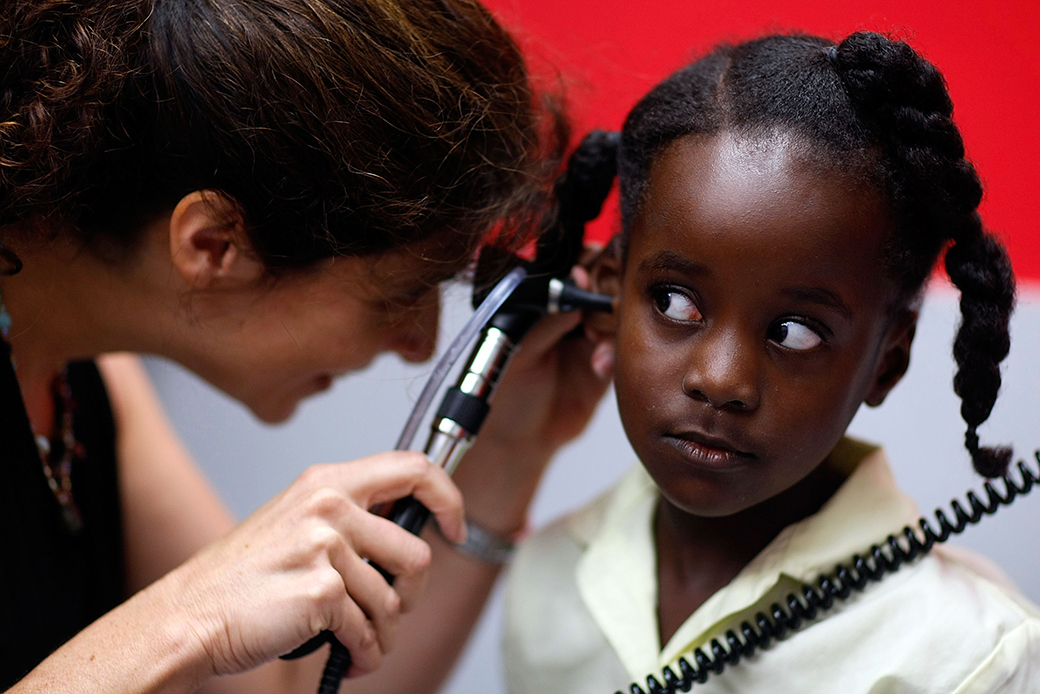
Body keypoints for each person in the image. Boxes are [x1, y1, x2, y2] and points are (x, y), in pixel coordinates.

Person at [0, 1, 612, 692]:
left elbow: (274, 693)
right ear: (212, 245)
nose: (419, 347)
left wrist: (507, 451)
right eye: (397, 295)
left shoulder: (86, 376)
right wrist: (188, 617)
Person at [504, 32, 1040, 693]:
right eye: (676, 301)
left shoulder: (971, 656)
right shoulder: (547, 577)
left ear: (887, 359)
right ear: (606, 297)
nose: (721, 380)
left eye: (795, 331)